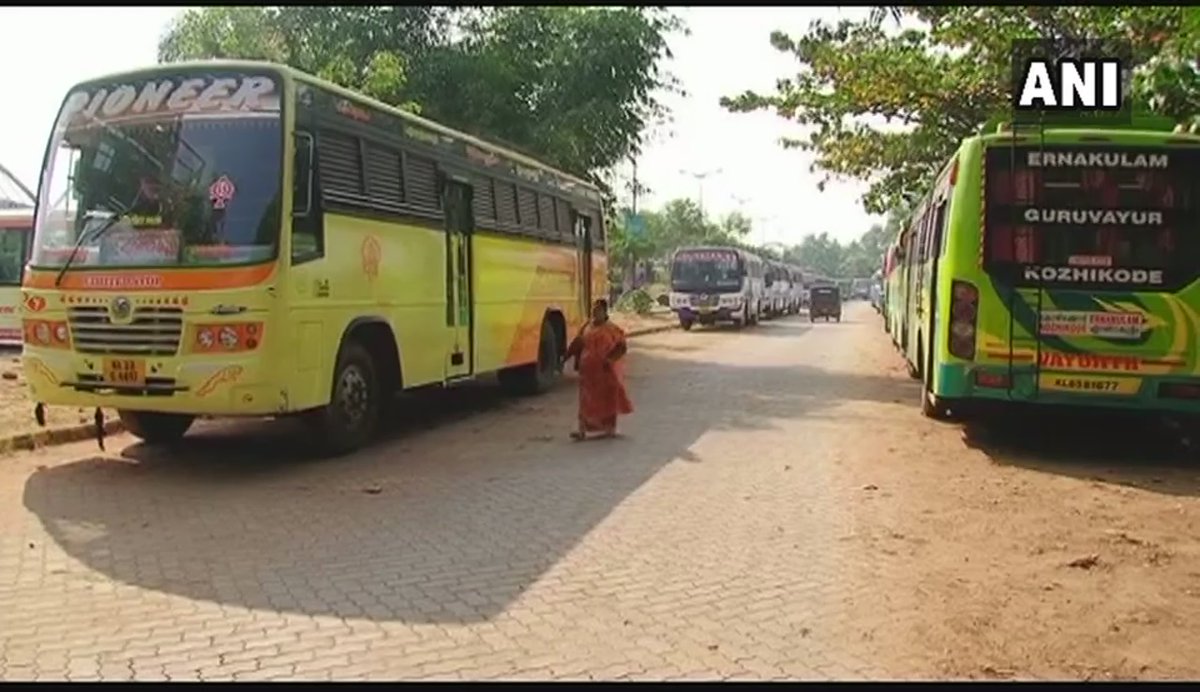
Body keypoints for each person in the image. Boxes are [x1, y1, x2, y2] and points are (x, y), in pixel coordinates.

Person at [563, 299, 633, 440]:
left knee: (608, 400)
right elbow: (577, 343)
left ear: (605, 312)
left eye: (598, 311)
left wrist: (610, 360)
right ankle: (582, 429)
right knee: (585, 401)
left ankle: (609, 428)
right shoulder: (586, 327)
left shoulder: (612, 329)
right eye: (593, 311)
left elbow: (622, 347)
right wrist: (566, 357)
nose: (595, 313)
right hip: (588, 373)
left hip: (606, 373)